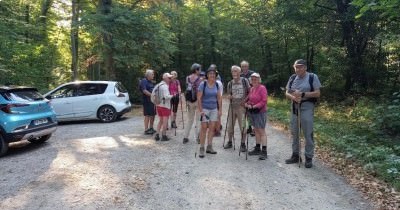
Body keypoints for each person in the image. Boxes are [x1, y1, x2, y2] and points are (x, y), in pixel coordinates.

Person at [284, 59, 321, 168]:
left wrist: (303, 94)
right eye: (296, 67)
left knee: (307, 132)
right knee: (294, 132)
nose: (298, 69)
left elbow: (317, 93)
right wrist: (293, 97)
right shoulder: (292, 78)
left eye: (300, 67)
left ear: (305, 67)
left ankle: (308, 157)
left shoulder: (312, 77)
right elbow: (287, 92)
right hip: (294, 107)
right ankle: (296, 155)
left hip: (307, 107)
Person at [197, 67, 223, 158]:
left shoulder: (216, 85)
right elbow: (199, 98)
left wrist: (220, 110)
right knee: (204, 127)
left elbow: (219, 98)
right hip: (205, 109)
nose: (212, 75)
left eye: (213, 74)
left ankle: (209, 146)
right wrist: (201, 111)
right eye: (210, 74)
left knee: (212, 128)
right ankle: (201, 148)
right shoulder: (203, 84)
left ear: (215, 76)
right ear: (207, 75)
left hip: (214, 109)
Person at [224, 65, 250, 152]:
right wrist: (229, 96)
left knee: (243, 126)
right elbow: (229, 93)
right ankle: (230, 142)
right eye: (232, 71)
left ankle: (243, 144)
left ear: (239, 72)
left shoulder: (244, 81)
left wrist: (246, 102)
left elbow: (250, 92)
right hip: (232, 107)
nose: (234, 73)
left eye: (235, 71)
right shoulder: (230, 83)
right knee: (230, 126)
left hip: (242, 107)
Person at [244, 73, 268, 160]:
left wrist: (254, 106)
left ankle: (264, 151)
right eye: (252, 79)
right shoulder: (252, 89)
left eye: (256, 79)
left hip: (260, 112)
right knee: (256, 130)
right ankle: (257, 148)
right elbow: (250, 99)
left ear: (259, 80)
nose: (254, 80)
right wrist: (247, 103)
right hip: (252, 112)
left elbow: (264, 101)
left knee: (261, 131)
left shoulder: (262, 88)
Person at [182, 63, 202, 144]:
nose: (200, 71)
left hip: (189, 101)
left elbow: (187, 88)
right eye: (199, 69)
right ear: (196, 70)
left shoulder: (188, 78)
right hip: (197, 100)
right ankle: (198, 138)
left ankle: (185, 137)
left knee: (190, 119)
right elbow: (200, 91)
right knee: (198, 120)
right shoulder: (199, 79)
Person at [154, 73, 175, 141]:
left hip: (158, 105)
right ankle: (164, 136)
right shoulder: (165, 86)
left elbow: (153, 94)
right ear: (165, 78)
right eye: (169, 78)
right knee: (165, 121)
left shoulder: (158, 85)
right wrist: (173, 95)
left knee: (161, 120)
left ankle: (157, 135)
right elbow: (166, 97)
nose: (170, 79)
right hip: (165, 106)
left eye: (170, 78)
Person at [240, 60, 256, 136]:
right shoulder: (240, 75)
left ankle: (254, 129)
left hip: (252, 95)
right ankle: (247, 128)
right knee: (244, 113)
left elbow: (257, 84)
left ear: (248, 66)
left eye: (245, 66)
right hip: (243, 96)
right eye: (242, 66)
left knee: (251, 113)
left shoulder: (252, 74)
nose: (244, 68)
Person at [207, 64, 224, 137]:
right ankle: (217, 129)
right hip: (216, 99)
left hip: (216, 99)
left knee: (216, 115)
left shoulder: (217, 82)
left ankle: (217, 130)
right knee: (216, 115)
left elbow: (219, 93)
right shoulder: (218, 81)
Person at [139, 69, 156, 135]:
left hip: (152, 101)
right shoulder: (144, 81)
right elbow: (144, 91)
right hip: (146, 101)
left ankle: (151, 128)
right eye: (152, 74)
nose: (153, 75)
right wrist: (152, 95)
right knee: (147, 115)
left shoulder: (150, 81)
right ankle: (146, 130)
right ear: (148, 75)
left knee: (153, 114)